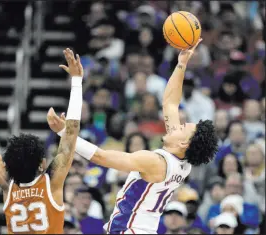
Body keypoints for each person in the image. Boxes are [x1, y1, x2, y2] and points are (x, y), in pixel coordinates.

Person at [48, 39, 218, 234]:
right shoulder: (184, 162)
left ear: (184, 142)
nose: (176, 124)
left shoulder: (154, 161)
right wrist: (181, 64)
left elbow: (101, 157)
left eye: (182, 127)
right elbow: (170, 103)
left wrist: (64, 132)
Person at [0, 48, 83, 234]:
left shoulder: (7, 184)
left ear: (7, 165)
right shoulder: (52, 183)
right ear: (43, 164)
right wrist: (77, 80)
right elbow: (71, 132)